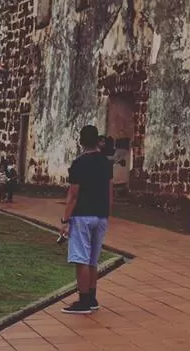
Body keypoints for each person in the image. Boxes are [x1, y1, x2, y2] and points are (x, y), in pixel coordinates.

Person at [59, 125, 113, 314]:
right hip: (100, 215)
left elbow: (73, 194)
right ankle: (91, 297)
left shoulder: (79, 163)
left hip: (83, 214)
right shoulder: (106, 163)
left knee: (81, 258)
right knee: (92, 259)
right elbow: (109, 190)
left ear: (81, 141)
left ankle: (83, 301)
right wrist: (107, 211)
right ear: (97, 140)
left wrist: (65, 220)